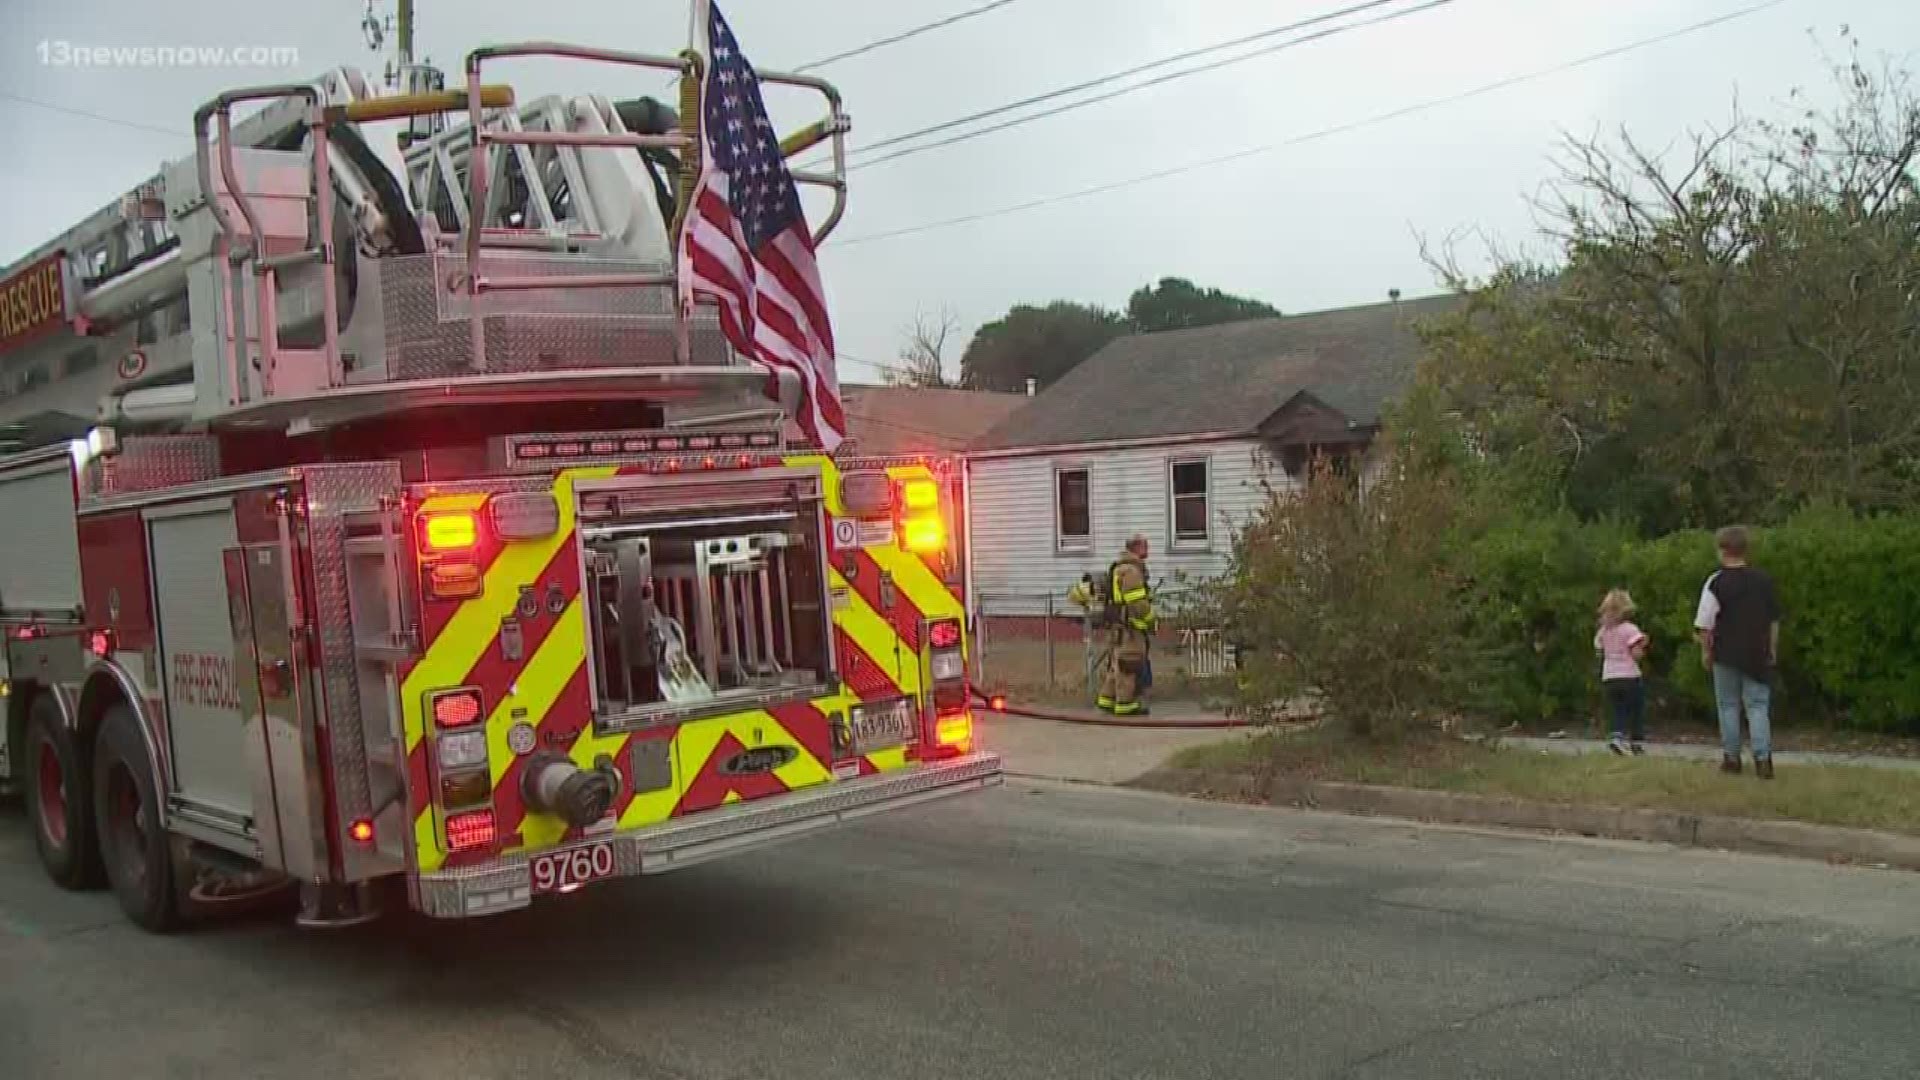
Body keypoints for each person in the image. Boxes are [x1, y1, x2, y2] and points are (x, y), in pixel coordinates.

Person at [1694, 526, 1782, 779]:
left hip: (1725, 652)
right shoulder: (1764, 581)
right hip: (1757, 651)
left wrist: (1705, 651)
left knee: (1728, 705)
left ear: (1722, 551)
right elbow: (1773, 619)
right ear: (1746, 550)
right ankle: (1763, 761)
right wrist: (1772, 649)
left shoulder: (1716, 582)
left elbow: (1704, 623)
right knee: (1757, 705)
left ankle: (1731, 759)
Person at [1096, 534, 1156, 716]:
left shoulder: (1120, 568)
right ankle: (1125, 704)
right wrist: (1151, 619)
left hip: (1118, 626)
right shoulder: (1131, 571)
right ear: (1136, 548)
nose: (1148, 550)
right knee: (1129, 665)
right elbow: (1136, 602)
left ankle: (1106, 699)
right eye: (1145, 546)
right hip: (1130, 627)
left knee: (1117, 664)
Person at [1594, 589, 1650, 756]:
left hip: (1609, 675)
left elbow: (1599, 650)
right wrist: (1643, 645)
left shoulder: (1603, 631)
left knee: (1617, 708)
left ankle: (1616, 736)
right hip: (1629, 675)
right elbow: (1636, 654)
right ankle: (1636, 741)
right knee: (1636, 709)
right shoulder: (1630, 629)